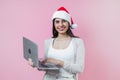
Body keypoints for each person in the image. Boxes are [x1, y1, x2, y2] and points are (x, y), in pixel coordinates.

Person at [28, 6, 85, 80]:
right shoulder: (48, 42)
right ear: (54, 24)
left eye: (64, 21)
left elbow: (79, 68)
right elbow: (47, 67)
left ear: (68, 23)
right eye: (57, 22)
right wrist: (36, 64)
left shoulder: (78, 42)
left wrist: (59, 62)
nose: (61, 25)